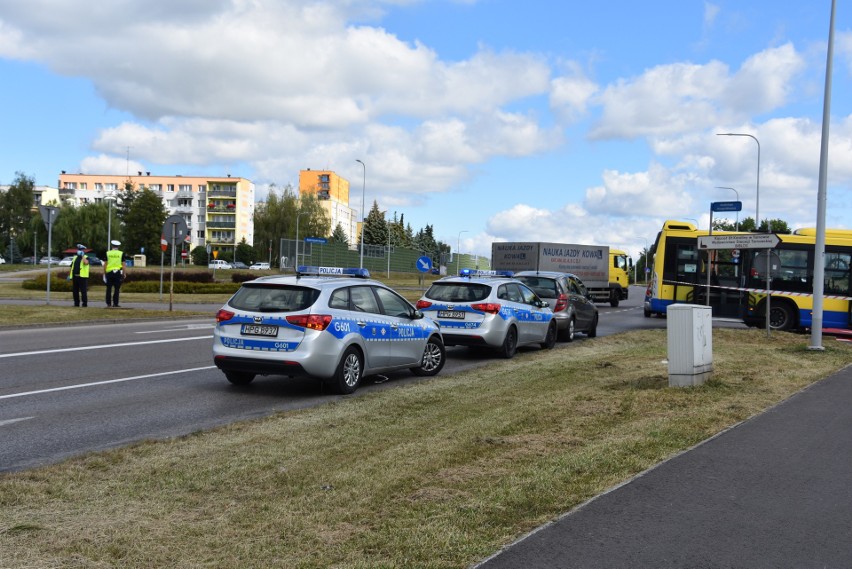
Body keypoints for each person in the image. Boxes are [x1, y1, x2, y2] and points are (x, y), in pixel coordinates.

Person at [104, 240, 126, 308]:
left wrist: (104, 273)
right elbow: (123, 265)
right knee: (117, 289)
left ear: (112, 246)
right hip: (117, 273)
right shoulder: (121, 253)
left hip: (109, 272)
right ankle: (115, 303)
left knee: (108, 289)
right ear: (118, 246)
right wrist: (124, 273)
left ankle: (108, 304)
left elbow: (105, 264)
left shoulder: (107, 253)